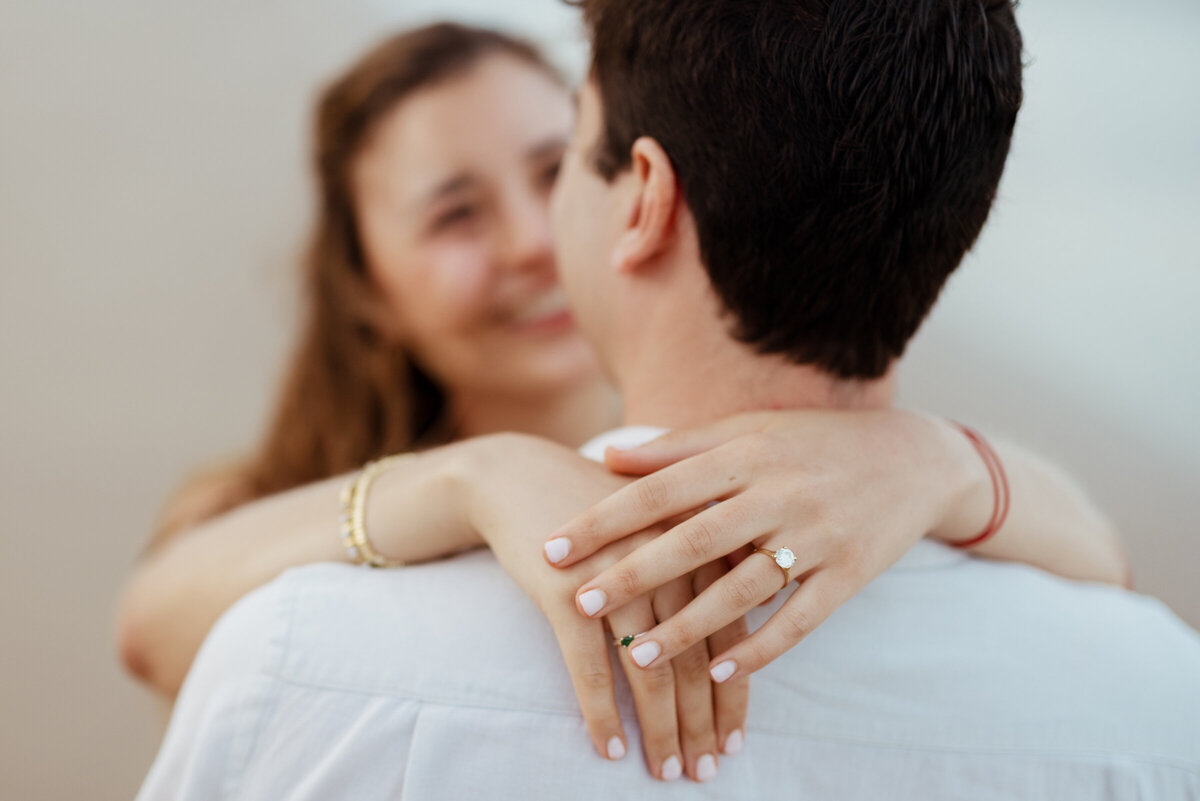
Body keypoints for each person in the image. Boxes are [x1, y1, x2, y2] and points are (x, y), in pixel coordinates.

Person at [126, 12, 1174, 794]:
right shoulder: (1159, 697)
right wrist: (467, 473)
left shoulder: (315, 660)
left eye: (554, 165)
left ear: (642, 196)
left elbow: (1103, 558)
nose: (531, 239)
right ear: (367, 289)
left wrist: (938, 463)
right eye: (454, 212)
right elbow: (157, 626)